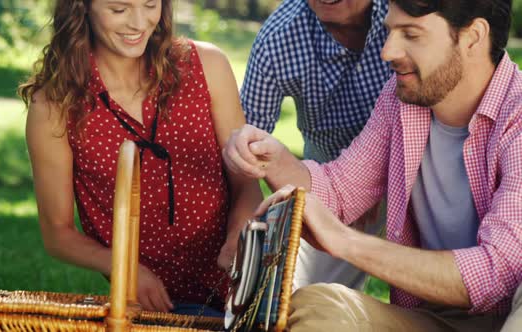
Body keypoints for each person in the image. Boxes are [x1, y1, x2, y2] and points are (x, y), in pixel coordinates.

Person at [223, 0, 522, 330]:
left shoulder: (517, 115)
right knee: (319, 306)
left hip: (509, 314)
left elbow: (497, 273)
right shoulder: (399, 100)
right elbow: (340, 191)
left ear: (473, 36)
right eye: (389, 32)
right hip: (438, 317)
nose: (387, 51)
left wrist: (347, 242)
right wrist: (273, 158)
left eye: (411, 34)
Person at [19, 0, 262, 316]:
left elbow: (246, 180)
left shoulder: (208, 65)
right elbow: (57, 232)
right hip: (155, 306)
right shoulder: (54, 105)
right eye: (119, 10)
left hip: (244, 288)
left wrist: (239, 238)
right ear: (82, 8)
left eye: (150, 5)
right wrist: (126, 269)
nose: (138, 23)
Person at [240, 0, 392, 291]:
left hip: (416, 162)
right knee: (305, 295)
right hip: (328, 181)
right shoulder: (280, 36)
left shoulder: (409, 12)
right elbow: (246, 138)